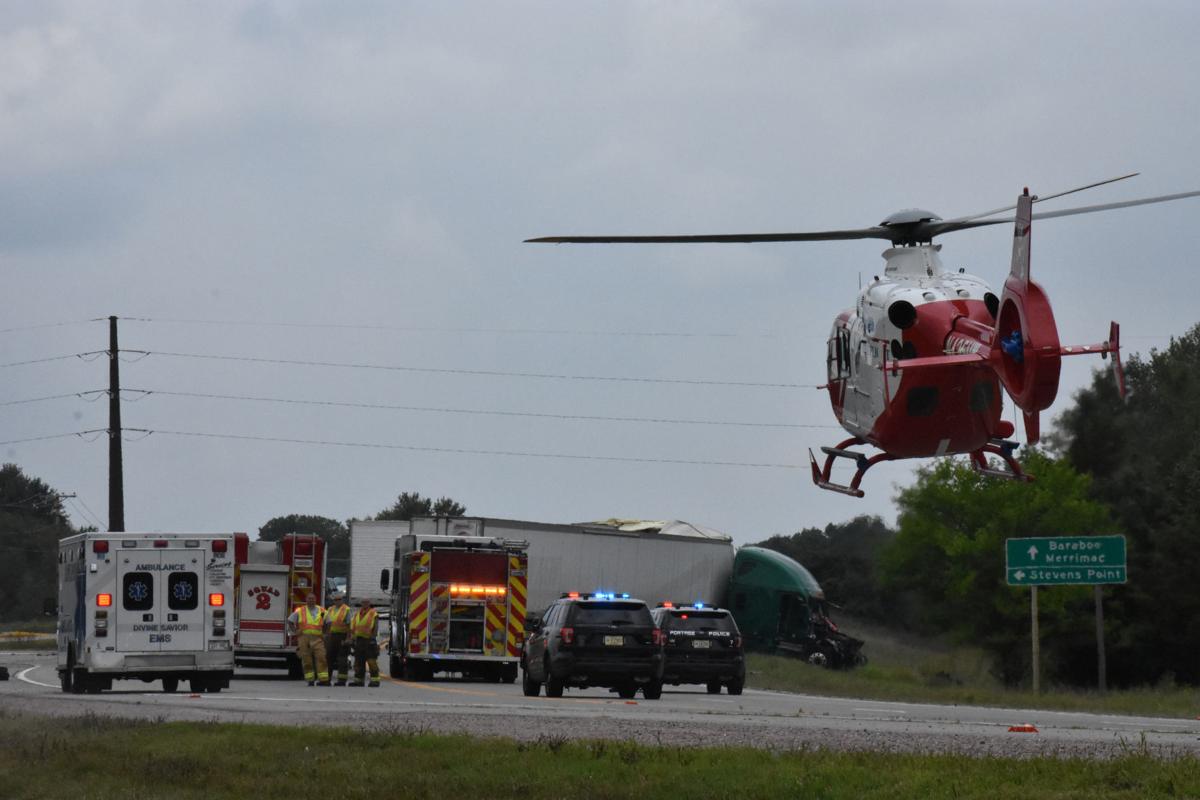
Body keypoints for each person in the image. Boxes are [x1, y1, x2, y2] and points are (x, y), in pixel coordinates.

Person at [287, 593, 330, 686]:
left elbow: (328, 622)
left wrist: (326, 633)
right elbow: (290, 621)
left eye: (313, 599)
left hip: (318, 638)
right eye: (309, 599)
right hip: (304, 638)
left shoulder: (322, 611)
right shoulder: (300, 611)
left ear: (316, 600)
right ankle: (310, 679)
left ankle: (323, 679)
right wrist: (295, 631)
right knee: (306, 659)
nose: (311, 600)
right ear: (306, 600)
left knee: (321, 657)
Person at [348, 596, 381, 688]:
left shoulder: (373, 613)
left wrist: (373, 639)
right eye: (363, 602)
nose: (365, 604)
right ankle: (359, 681)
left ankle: (375, 681)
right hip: (359, 641)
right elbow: (353, 627)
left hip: (369, 641)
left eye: (366, 602)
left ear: (369, 604)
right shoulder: (357, 614)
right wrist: (352, 639)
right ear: (361, 604)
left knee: (371, 661)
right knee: (359, 662)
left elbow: (375, 627)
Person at [324, 592, 353, 686]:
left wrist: (348, 638)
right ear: (333, 601)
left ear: (342, 600)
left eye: (339, 599)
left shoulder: (346, 609)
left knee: (342, 659)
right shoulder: (330, 609)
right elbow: (326, 623)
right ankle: (326, 679)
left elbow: (349, 625)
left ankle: (342, 680)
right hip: (331, 636)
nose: (337, 601)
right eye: (335, 600)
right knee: (329, 658)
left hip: (342, 636)